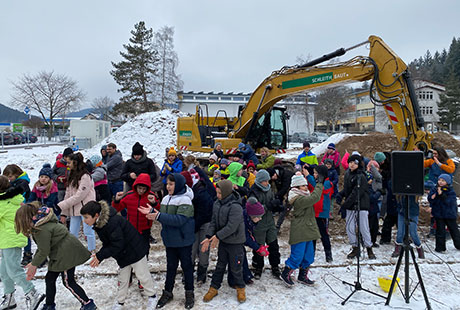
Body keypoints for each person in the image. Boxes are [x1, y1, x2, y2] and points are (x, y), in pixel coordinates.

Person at [15, 203, 96, 310]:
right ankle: (49, 305)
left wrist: (34, 265)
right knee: (50, 278)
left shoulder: (41, 229)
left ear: (29, 219)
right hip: (59, 253)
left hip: (67, 253)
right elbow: (42, 247)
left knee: (68, 281)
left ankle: (88, 304)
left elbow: (44, 250)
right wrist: (34, 263)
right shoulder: (40, 224)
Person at [81, 201, 158, 310]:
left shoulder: (111, 222)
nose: (84, 221)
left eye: (86, 217)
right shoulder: (100, 224)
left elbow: (117, 244)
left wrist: (100, 255)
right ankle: (120, 302)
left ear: (96, 215)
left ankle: (152, 296)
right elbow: (108, 243)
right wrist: (99, 257)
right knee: (123, 279)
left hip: (135, 250)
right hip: (123, 254)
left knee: (143, 276)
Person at [138, 173, 195, 309]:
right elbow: (164, 216)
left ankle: (189, 293)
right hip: (170, 240)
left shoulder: (185, 200)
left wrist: (157, 215)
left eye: (171, 184)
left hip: (183, 240)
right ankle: (168, 292)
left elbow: (180, 220)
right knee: (170, 267)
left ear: (179, 185)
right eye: (167, 184)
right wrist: (153, 208)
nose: (168, 187)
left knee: (187, 267)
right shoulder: (165, 199)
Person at [0, 176, 44, 310]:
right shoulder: (13, 199)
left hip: (11, 240)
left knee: (13, 270)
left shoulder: (3, 202)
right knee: (4, 271)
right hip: (7, 239)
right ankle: (9, 298)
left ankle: (32, 292)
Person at [201, 179, 246, 304]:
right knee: (220, 265)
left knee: (236, 267)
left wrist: (217, 236)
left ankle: (240, 288)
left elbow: (232, 226)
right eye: (217, 193)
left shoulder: (235, 206)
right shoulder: (217, 203)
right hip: (224, 240)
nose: (218, 195)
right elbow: (214, 222)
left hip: (235, 242)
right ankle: (214, 288)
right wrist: (208, 235)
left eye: (220, 193)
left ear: (226, 192)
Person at [280, 174, 324, 287]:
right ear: (296, 187)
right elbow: (314, 198)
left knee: (309, 254)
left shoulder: (304, 195)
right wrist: (319, 184)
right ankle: (286, 273)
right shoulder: (298, 199)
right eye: (303, 186)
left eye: (305, 185)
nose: (306, 187)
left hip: (308, 228)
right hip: (300, 230)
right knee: (297, 254)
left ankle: (302, 275)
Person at [337, 154, 376, 260]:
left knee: (364, 228)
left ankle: (369, 248)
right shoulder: (348, 174)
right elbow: (348, 189)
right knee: (350, 228)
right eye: (350, 162)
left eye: (354, 163)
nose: (352, 165)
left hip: (361, 205)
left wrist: (345, 205)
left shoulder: (361, 176)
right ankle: (355, 247)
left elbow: (356, 193)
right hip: (350, 206)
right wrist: (341, 194)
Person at [180, 170, 215, 286]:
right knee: (191, 250)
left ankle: (202, 272)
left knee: (203, 249)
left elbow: (203, 214)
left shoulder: (201, 193)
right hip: (193, 223)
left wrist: (193, 226)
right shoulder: (186, 192)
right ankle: (188, 272)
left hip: (204, 222)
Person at [57, 153, 96, 252]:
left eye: (69, 162)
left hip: (86, 208)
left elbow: (79, 196)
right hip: (74, 209)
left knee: (88, 231)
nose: (67, 165)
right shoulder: (72, 175)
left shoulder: (85, 176)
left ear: (75, 162)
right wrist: (64, 213)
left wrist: (61, 205)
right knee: (72, 232)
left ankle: (92, 252)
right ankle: (72, 252)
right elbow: (68, 194)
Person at [248, 170, 283, 280]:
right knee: (259, 247)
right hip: (259, 224)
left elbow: (273, 201)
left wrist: (277, 206)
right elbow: (253, 210)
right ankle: (258, 267)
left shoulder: (269, 189)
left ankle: (275, 266)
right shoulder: (253, 192)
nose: (267, 183)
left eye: (268, 180)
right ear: (259, 181)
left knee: (273, 245)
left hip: (270, 222)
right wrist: (267, 206)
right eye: (264, 181)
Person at [112, 173, 159, 256]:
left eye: (144, 189)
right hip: (131, 227)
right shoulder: (129, 195)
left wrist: (154, 203)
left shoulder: (151, 196)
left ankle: (144, 263)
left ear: (147, 188)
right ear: (135, 186)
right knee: (131, 247)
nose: (141, 191)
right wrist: (116, 201)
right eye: (139, 188)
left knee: (144, 247)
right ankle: (131, 265)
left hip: (145, 228)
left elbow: (158, 211)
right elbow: (116, 209)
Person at [3, 164, 33, 267]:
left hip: (23, 210)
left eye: (10, 176)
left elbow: (20, 196)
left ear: (16, 174)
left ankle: (28, 254)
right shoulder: (14, 182)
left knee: (25, 232)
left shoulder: (22, 183)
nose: (9, 179)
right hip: (15, 210)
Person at [427, 174, 460, 252]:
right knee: (440, 231)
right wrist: (432, 197)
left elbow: (449, 201)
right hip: (439, 213)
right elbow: (431, 199)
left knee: (454, 230)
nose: (440, 182)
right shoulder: (435, 189)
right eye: (439, 180)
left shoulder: (450, 190)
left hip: (449, 214)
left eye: (443, 181)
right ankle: (440, 248)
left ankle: (458, 244)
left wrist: (441, 194)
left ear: (447, 182)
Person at [239, 197, 268, 285]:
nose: (260, 219)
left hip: (240, 239)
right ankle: (240, 278)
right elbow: (246, 237)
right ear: (252, 215)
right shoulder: (243, 220)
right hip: (234, 240)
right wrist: (258, 248)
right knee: (240, 256)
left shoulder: (250, 220)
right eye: (259, 217)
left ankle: (246, 275)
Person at [311, 165, 334, 263]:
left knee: (324, 234)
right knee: (312, 235)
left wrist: (308, 177)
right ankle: (311, 254)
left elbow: (319, 190)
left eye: (316, 173)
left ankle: (328, 254)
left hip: (322, 214)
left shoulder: (327, 183)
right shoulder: (317, 183)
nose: (314, 175)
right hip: (313, 213)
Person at [267, 165, 294, 232]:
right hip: (285, 192)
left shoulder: (286, 175)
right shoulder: (276, 176)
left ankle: (278, 225)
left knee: (286, 207)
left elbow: (285, 188)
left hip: (293, 191)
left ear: (275, 174)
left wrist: (278, 196)